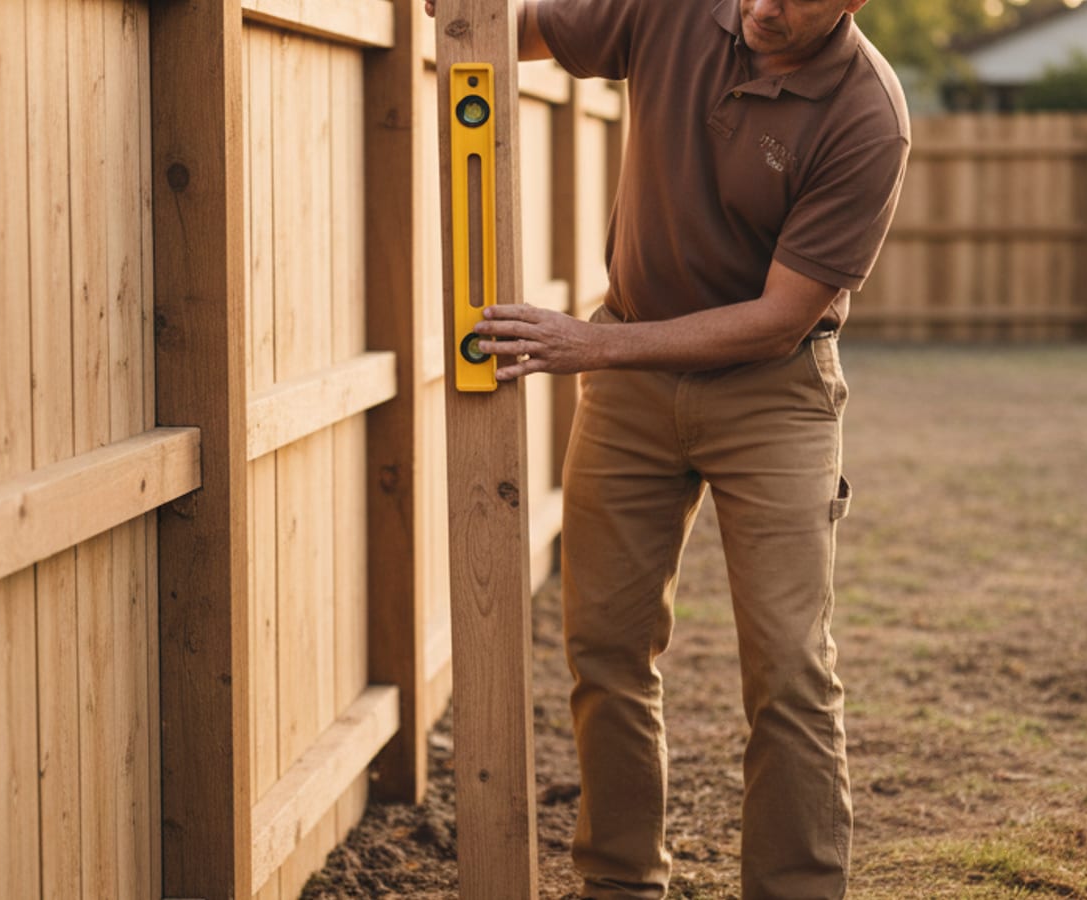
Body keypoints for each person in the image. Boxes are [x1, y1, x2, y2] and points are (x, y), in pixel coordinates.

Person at [425, 0, 907, 895]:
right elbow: (507, 30)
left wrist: (593, 346)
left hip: (773, 393)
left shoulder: (867, 115)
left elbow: (776, 320)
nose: (761, 7)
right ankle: (619, 884)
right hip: (632, 384)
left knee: (790, 669)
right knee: (605, 650)